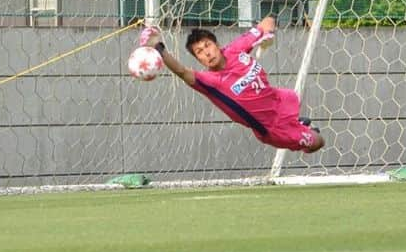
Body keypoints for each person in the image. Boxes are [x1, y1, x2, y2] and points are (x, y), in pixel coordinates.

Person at [139, 17, 325, 154]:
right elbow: (181, 71)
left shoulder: (236, 49)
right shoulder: (211, 82)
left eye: (207, 45)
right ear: (199, 60)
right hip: (273, 128)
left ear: (216, 44)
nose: (207, 53)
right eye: (200, 52)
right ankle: (305, 132)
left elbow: (267, 21)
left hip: (280, 101)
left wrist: (268, 33)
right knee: (318, 142)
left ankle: (298, 123)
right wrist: (158, 47)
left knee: (296, 105)